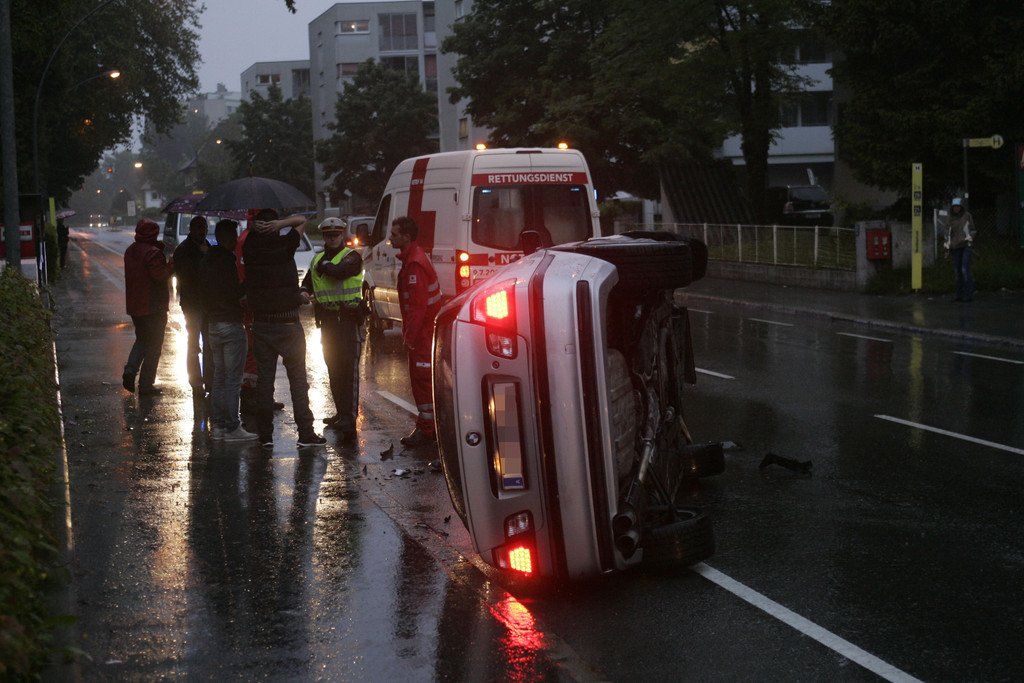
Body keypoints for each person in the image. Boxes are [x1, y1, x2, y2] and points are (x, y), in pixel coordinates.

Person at [243, 208, 325, 448]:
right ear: (274, 226)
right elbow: (302, 220)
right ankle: (306, 433)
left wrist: (257, 228)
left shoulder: (250, 248)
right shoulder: (285, 245)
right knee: (298, 381)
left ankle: (265, 436)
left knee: (265, 382)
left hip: (262, 324)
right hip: (288, 324)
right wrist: (280, 224)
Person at [300, 217, 364, 443]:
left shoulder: (351, 256)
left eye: (336, 234)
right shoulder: (317, 259)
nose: (332, 238)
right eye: (328, 235)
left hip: (348, 321)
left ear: (342, 235)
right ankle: (341, 413)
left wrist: (325, 266)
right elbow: (308, 283)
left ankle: (350, 417)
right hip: (327, 322)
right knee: (334, 369)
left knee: (348, 371)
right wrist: (304, 292)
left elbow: (339, 272)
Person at [200, 219, 256, 442]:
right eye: (234, 235)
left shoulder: (207, 260)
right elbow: (234, 292)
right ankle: (233, 427)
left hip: (213, 324)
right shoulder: (226, 261)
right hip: (231, 323)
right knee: (233, 379)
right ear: (227, 237)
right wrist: (248, 282)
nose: (236, 240)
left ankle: (218, 427)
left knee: (219, 377)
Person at [390, 216, 442, 448]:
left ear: (406, 237)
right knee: (424, 380)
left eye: (394, 234)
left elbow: (418, 307)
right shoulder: (414, 258)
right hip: (425, 333)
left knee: (422, 381)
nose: (390, 238)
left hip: (423, 335)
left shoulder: (414, 264)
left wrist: (410, 337)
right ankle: (429, 427)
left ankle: (428, 430)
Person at [122, 218, 173, 394]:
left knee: (142, 339)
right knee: (154, 346)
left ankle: (130, 370)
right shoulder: (153, 253)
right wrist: (171, 265)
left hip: (135, 305)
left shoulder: (131, 250)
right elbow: (160, 276)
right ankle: (145, 384)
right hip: (153, 306)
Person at [173, 215, 211, 395]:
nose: (202, 232)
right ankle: (196, 383)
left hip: (208, 303)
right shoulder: (183, 250)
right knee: (194, 344)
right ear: (192, 229)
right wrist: (203, 256)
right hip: (192, 304)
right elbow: (188, 276)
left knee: (210, 344)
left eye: (204, 228)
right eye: (199, 228)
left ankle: (210, 380)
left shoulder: (207, 247)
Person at [944, 197, 975, 302]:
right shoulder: (950, 218)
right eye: (954, 207)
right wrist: (947, 244)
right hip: (955, 246)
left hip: (966, 245)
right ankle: (959, 294)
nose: (956, 208)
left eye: (958, 206)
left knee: (964, 269)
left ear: (961, 207)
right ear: (952, 207)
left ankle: (968, 294)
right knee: (957, 271)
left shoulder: (967, 216)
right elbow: (947, 233)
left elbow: (973, 229)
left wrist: (970, 237)